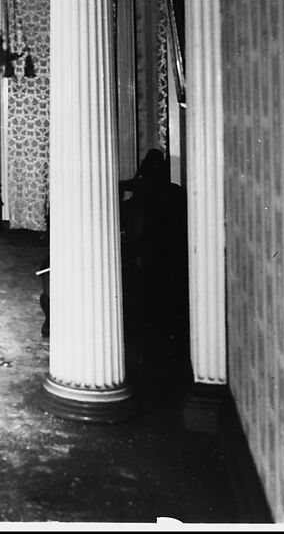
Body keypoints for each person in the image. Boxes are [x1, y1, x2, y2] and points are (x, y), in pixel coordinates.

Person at [118, 149, 190, 395]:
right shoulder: (174, 193)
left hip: (151, 264)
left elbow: (143, 234)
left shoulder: (146, 198)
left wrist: (126, 249)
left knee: (145, 315)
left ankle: (144, 363)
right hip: (172, 266)